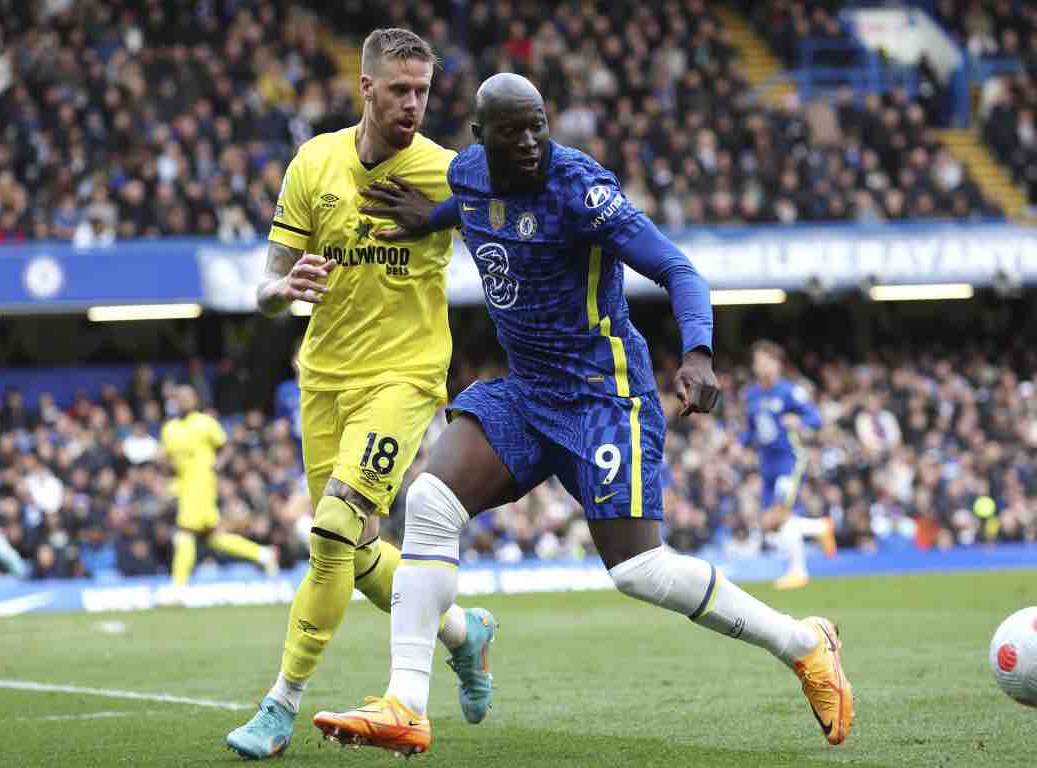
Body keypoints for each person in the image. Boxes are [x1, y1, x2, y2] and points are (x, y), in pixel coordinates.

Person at [310, 73, 854, 756]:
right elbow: (477, 204)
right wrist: (433, 216)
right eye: (514, 130)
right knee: (428, 502)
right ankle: (407, 705)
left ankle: (802, 643)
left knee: (638, 571)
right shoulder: (470, 174)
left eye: (539, 124)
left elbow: (679, 270)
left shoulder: (581, 190)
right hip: (528, 391)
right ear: (483, 137)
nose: (532, 140)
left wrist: (699, 353)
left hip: (603, 395)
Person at [225, 28, 495, 761]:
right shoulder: (315, 161)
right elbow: (266, 285)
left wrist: (450, 218)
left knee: (332, 531)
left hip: (405, 377)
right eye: (400, 90)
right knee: (358, 547)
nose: (413, 104)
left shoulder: (446, 172)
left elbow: (517, 224)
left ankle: (281, 703)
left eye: (423, 91)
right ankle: (466, 634)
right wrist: (283, 289)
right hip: (325, 378)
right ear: (367, 89)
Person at [160, 383, 278, 590]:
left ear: (195, 399)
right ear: (174, 401)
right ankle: (263, 554)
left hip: (202, 485)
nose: (185, 400)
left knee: (184, 533)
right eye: (180, 397)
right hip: (182, 487)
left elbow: (226, 447)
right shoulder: (169, 429)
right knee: (213, 537)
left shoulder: (206, 423)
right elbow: (168, 462)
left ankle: (177, 588)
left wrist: (218, 465)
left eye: (188, 396)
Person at [741, 340, 835, 590]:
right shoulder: (751, 394)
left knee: (780, 514)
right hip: (767, 463)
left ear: (777, 364)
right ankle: (819, 527)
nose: (762, 367)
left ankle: (798, 571)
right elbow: (750, 428)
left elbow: (814, 418)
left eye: (766, 361)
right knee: (768, 522)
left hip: (789, 460)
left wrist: (799, 422)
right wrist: (741, 445)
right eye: (758, 362)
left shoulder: (790, 391)